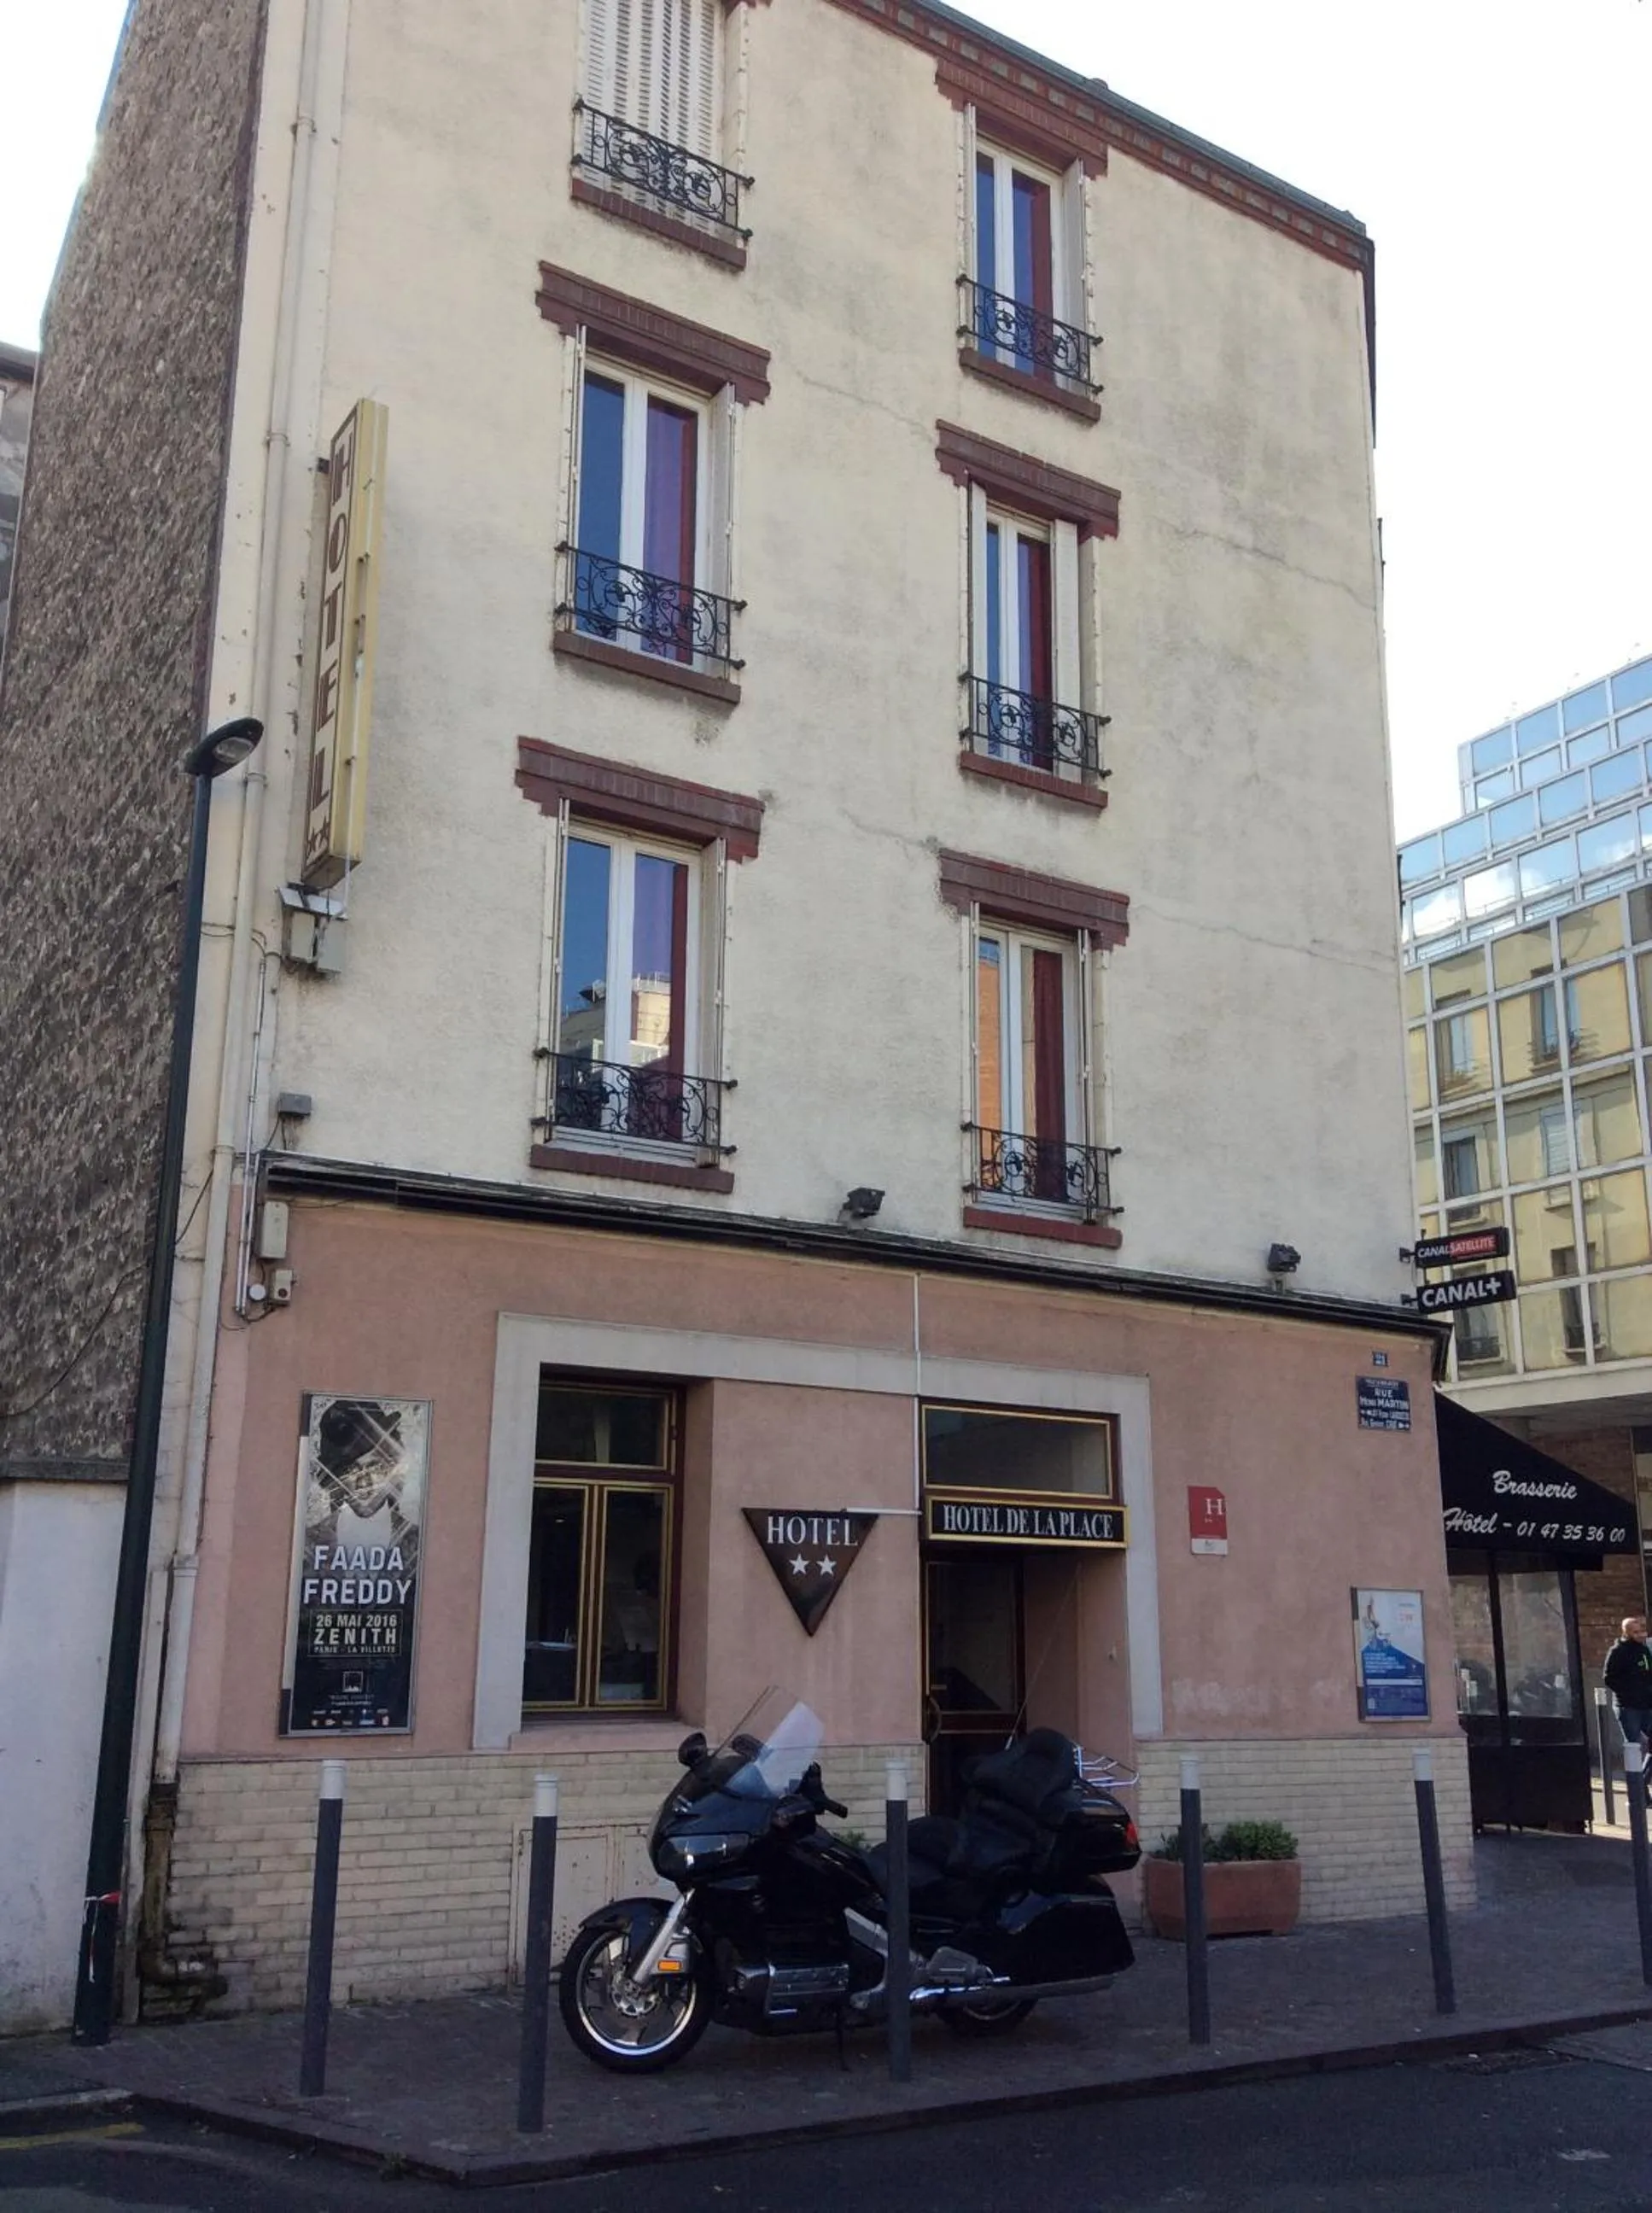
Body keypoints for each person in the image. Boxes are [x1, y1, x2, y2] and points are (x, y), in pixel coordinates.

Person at [1603, 1616, 1652, 1793]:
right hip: (1628, 1707)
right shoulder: (1618, 1651)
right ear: (1626, 1633)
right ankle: (1639, 1793)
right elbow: (1609, 1678)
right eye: (1636, 1632)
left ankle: (1641, 1785)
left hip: (1647, 1705)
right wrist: (1629, 1694)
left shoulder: (1644, 1650)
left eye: (1642, 1631)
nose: (1641, 1635)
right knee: (1633, 1747)